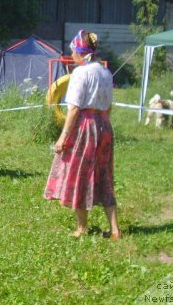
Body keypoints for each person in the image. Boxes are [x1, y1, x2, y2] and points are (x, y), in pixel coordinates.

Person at [44, 29, 120, 240]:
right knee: (104, 176)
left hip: (86, 127)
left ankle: (82, 228)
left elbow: (75, 108)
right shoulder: (105, 72)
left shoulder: (81, 73)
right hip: (105, 125)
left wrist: (62, 138)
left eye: (73, 51)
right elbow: (109, 106)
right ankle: (115, 229)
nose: (73, 55)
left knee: (80, 175)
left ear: (80, 52)